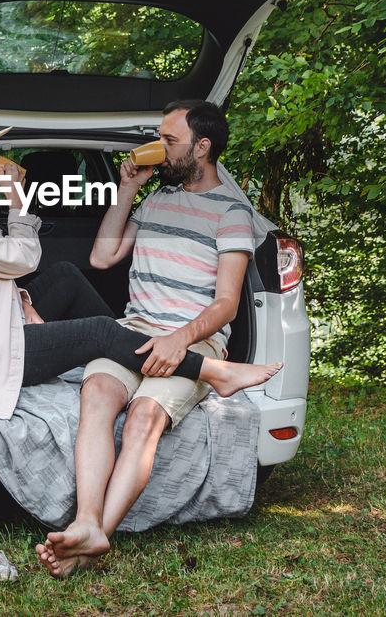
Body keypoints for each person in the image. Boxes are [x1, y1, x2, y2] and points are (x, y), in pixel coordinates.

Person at [0, 114, 281, 423]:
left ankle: (126, 351)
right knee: (100, 332)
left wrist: (23, 302)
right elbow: (23, 259)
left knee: (65, 276)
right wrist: (17, 200)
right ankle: (213, 371)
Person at [36, 99, 268, 578]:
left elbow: (226, 302)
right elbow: (103, 259)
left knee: (143, 418)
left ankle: (98, 533)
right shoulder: (157, 198)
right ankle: (85, 523)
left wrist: (180, 339)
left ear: (202, 147)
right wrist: (126, 191)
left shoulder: (232, 213)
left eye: (169, 140)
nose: (158, 149)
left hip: (194, 341)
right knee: (97, 395)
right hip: (135, 329)